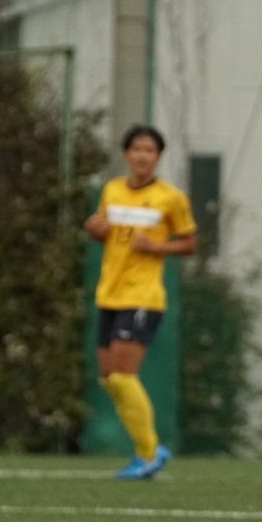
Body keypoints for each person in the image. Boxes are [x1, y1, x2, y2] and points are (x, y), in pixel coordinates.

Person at [84, 125, 197, 479]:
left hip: (143, 296)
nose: (142, 156)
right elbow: (108, 236)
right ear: (127, 154)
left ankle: (148, 453)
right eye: (136, 149)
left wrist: (156, 246)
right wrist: (97, 231)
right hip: (110, 293)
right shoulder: (112, 190)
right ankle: (148, 451)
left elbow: (190, 243)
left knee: (122, 376)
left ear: (158, 157)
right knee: (109, 379)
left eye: (149, 150)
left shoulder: (170, 198)